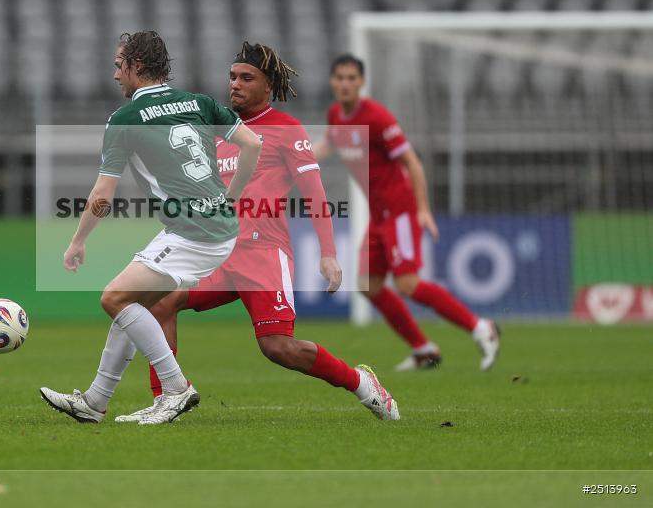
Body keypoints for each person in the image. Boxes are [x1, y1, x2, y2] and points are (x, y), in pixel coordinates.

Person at [115, 41, 400, 423]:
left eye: (246, 78)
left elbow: (314, 195)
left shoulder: (286, 130)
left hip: (262, 253)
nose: (235, 84)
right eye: (232, 77)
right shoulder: (217, 130)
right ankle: (167, 398)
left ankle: (361, 383)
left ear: (268, 86)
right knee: (160, 302)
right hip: (216, 249)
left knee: (278, 348)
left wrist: (329, 254)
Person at [39, 31, 262, 424]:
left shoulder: (126, 118)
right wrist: (233, 196)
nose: (114, 75)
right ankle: (95, 401)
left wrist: (78, 240)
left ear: (137, 67)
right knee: (133, 301)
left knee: (113, 298)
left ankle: (177, 389)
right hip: (214, 224)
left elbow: (103, 194)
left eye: (118, 66)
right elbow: (253, 144)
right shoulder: (198, 101)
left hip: (194, 232)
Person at [313, 54, 501, 371]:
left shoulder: (377, 118)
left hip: (399, 210)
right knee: (367, 284)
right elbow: (326, 146)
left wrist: (423, 209)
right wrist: (292, 161)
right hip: (379, 214)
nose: (345, 84)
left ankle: (481, 328)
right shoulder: (336, 114)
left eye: (351, 78)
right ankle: (423, 349)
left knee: (408, 284)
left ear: (362, 82)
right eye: (340, 78)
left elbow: (412, 162)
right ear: (332, 82)